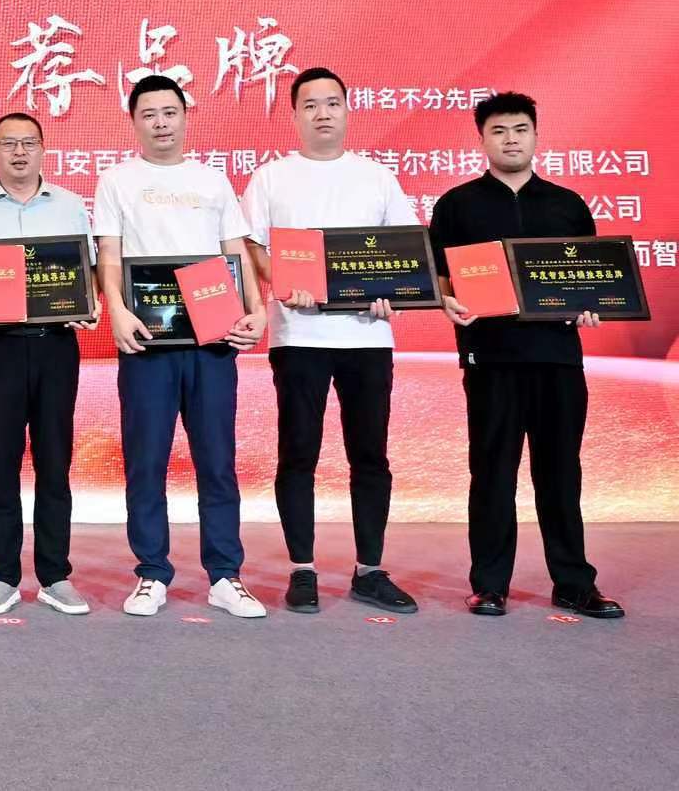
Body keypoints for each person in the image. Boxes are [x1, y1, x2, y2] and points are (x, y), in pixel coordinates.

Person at [429, 92, 623, 619]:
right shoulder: (457, 205)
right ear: (482, 140)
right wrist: (447, 302)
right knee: (492, 472)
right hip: (490, 357)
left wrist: (590, 307)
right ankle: (490, 584)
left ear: (536, 136)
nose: (510, 139)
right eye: (499, 131)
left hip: (557, 357)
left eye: (520, 129)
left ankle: (574, 583)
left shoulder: (567, 204)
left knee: (561, 472)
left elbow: (590, 278)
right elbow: (440, 277)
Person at [242, 67, 420, 615]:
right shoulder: (271, 178)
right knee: (299, 453)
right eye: (311, 105)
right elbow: (252, 248)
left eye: (332, 103)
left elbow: (405, 251)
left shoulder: (376, 178)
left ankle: (370, 570)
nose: (323, 113)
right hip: (299, 336)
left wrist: (391, 292)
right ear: (295, 115)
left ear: (347, 109)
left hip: (368, 338)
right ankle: (303, 569)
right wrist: (282, 282)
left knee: (370, 456)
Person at [94, 76, 268, 620]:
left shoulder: (211, 181)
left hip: (212, 337)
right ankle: (151, 572)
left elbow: (234, 251)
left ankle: (225, 575)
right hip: (148, 340)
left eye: (169, 112)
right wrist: (116, 310)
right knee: (146, 460)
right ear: (134, 122)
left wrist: (257, 308)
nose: (161, 123)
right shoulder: (116, 180)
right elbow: (109, 254)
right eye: (149, 114)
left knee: (217, 460)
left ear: (185, 116)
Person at [0, 111, 98, 616]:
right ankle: (3, 574)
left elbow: (90, 270)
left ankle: (55, 575)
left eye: (29, 142)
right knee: (1, 461)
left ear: (43, 149)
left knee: (55, 460)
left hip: (56, 346)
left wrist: (88, 303)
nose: (19, 152)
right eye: (8, 143)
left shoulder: (71, 206)